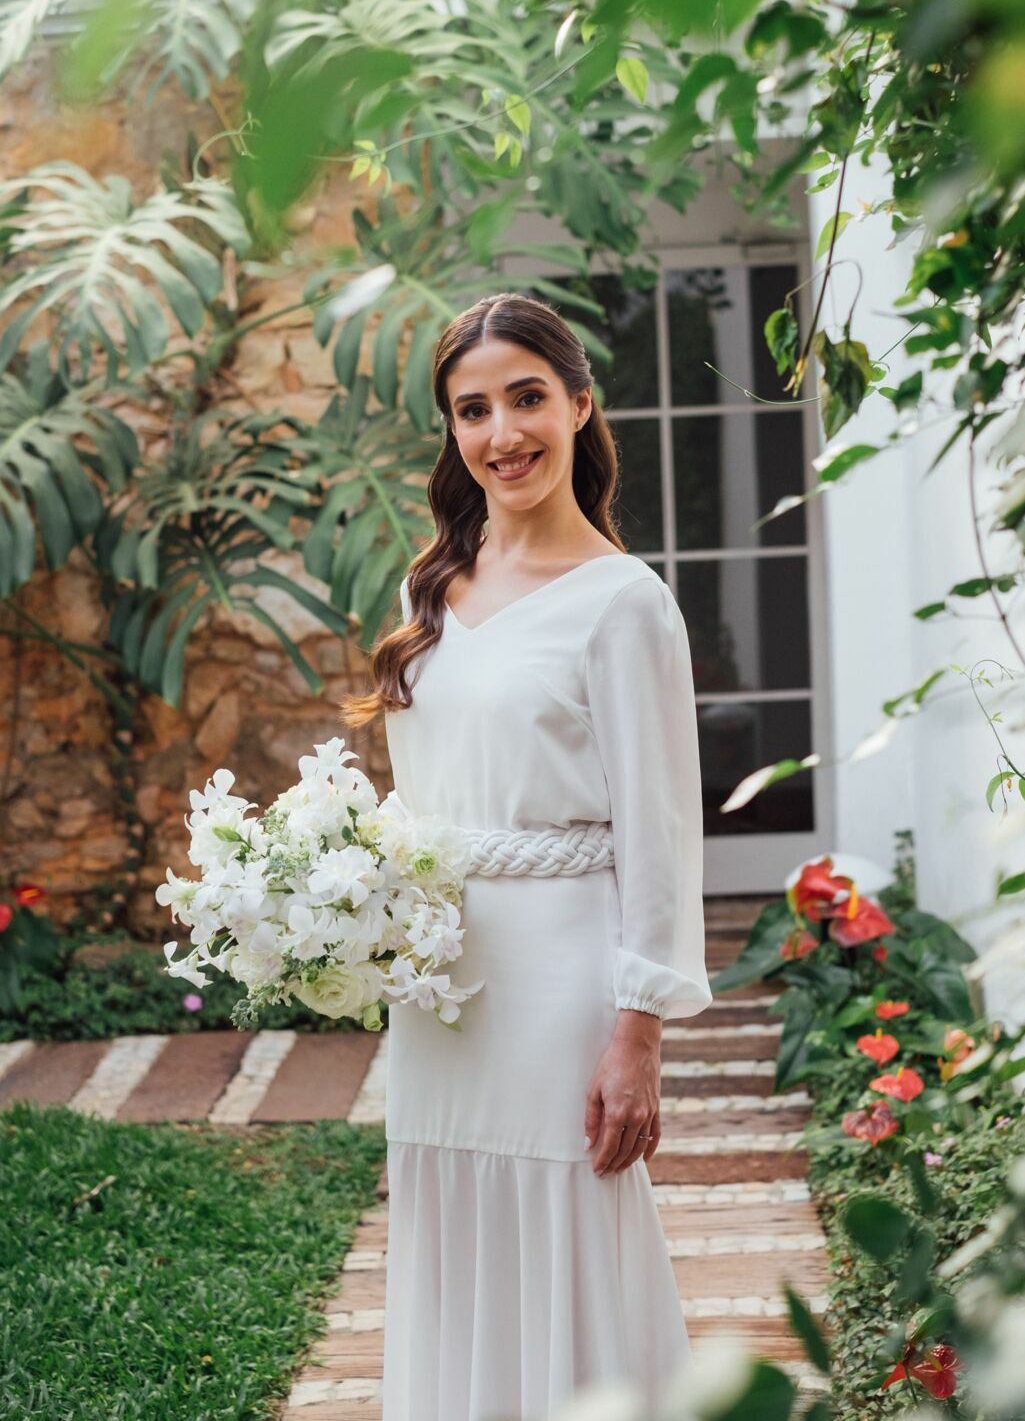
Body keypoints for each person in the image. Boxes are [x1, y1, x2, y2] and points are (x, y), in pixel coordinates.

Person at [342, 292, 713, 1421]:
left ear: (578, 403)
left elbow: (661, 829)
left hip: (561, 980)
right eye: (471, 409)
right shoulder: (426, 592)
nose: (501, 432)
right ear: (449, 432)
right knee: (451, 1233)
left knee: (564, 1236)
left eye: (525, 398)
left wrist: (638, 1031)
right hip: (443, 987)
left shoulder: (623, 604)